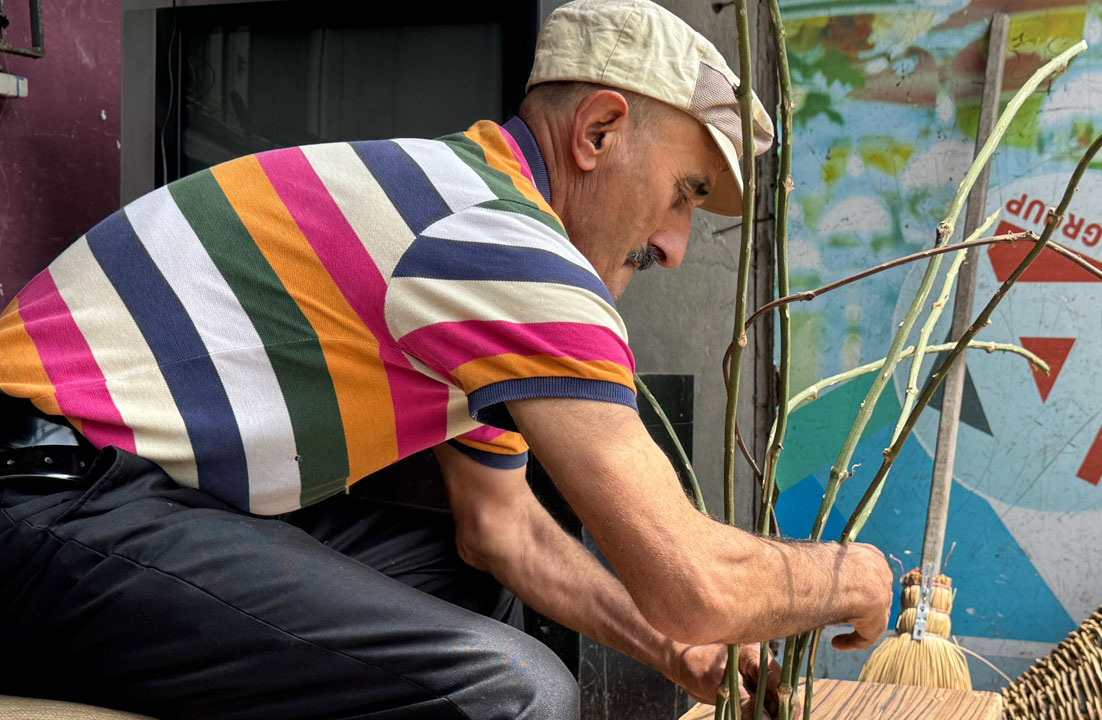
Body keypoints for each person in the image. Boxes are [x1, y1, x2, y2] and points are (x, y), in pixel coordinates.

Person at [0, 0, 892, 717]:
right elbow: (694, 579)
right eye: (684, 193)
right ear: (599, 132)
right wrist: (857, 574)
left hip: (104, 496)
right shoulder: (505, 243)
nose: (674, 245)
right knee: (515, 692)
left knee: (467, 575)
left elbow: (503, 530)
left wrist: (668, 651)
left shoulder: (458, 209)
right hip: (42, 500)